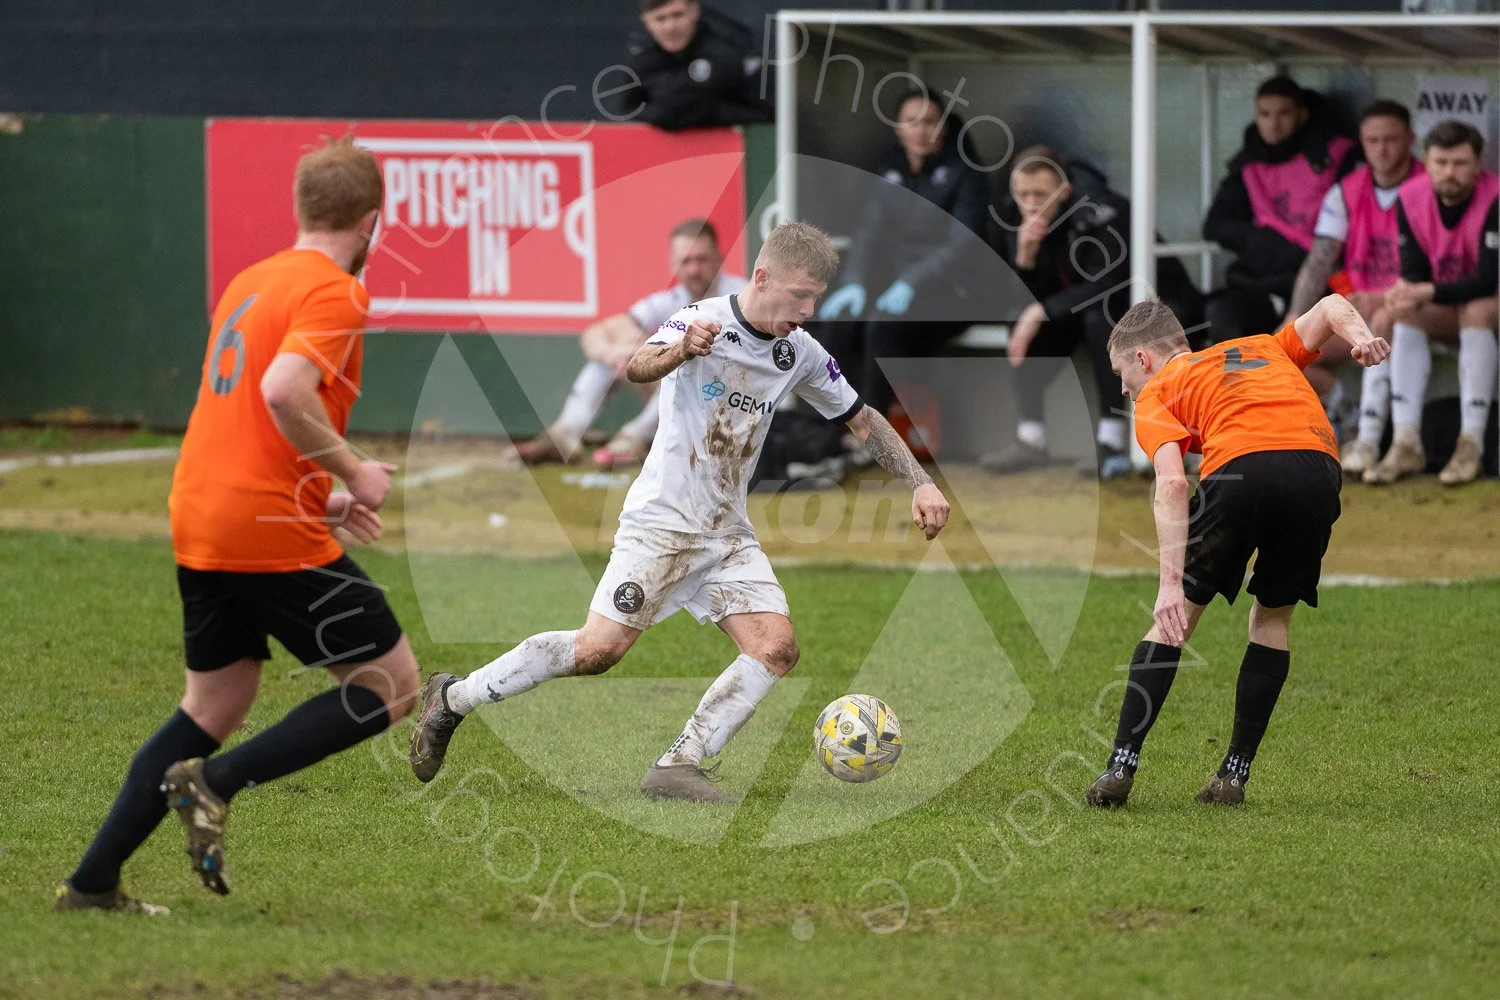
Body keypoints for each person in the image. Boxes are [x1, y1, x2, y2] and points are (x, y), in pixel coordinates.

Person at [409, 222, 951, 801]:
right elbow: (638, 365)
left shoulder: (800, 352)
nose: (809, 309)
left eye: (816, 297)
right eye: (800, 295)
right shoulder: (703, 319)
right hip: (661, 525)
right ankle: (453, 698)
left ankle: (677, 764)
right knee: (597, 652)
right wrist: (682, 348)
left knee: (775, 648)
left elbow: (861, 419)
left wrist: (919, 481)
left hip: (727, 533)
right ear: (764, 278)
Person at [53, 137, 420, 914]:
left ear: (300, 209)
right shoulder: (336, 290)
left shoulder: (251, 282)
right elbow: (283, 391)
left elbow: (235, 418)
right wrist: (354, 472)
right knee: (390, 687)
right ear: (372, 222)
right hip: (261, 527)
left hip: (204, 510)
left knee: (212, 705)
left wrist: (316, 494)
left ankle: (91, 885)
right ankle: (213, 783)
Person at [1083, 296, 1388, 809]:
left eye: (1120, 374)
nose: (1123, 389)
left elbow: (1174, 485)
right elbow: (1333, 305)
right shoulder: (1263, 346)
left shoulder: (1158, 392)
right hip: (1318, 468)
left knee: (1174, 622)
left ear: (1143, 360)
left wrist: (1169, 585)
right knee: (1272, 620)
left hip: (1241, 473)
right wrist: (1360, 339)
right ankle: (1233, 774)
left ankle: (1120, 765)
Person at [981, 146, 1202, 479]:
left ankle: (1111, 443)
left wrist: (1041, 311)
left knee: (1100, 319)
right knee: (1021, 317)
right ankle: (1031, 439)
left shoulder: (1105, 210)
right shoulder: (1015, 216)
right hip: (1081, 311)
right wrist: (1026, 258)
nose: (1030, 203)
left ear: (1065, 189)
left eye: (1040, 194)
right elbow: (1026, 294)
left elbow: (1109, 283)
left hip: (1162, 310)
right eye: (1023, 193)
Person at [511, 219, 745, 468]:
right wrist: (619, 354)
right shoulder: (670, 300)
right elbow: (595, 334)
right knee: (616, 353)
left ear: (719, 258)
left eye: (701, 260)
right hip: (675, 408)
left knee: (683, 368)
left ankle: (633, 439)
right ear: (673, 264)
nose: (694, 270)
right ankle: (566, 433)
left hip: (725, 409)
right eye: (685, 261)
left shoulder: (739, 297)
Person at [816, 84, 989, 418]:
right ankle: (826, 428)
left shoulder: (966, 173)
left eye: (930, 121)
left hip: (956, 293)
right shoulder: (890, 167)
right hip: (898, 289)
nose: (921, 130)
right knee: (840, 321)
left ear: (944, 127)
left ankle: (870, 434)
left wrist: (911, 281)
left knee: (882, 326)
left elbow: (963, 243)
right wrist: (854, 281)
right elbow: (869, 231)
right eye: (912, 121)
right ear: (898, 128)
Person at [1281, 100, 1422, 474]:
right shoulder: (1346, 191)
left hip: (1412, 307)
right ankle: (1341, 404)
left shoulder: (1427, 185)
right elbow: (1320, 259)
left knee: (1381, 314)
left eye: (1391, 139)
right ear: (1362, 142)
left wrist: (1380, 297)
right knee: (1279, 352)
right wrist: (1296, 314)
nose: (1382, 149)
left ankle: (1369, 439)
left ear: (1410, 139)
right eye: (1373, 140)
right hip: (1355, 311)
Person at [1365, 120, 1499, 486]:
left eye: (1459, 163)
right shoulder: (1411, 197)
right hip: (1450, 306)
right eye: (1441, 162)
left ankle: (1470, 444)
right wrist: (1406, 290)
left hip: (1488, 306)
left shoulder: (1495, 195)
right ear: (1428, 161)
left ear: (1477, 163)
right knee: (1400, 310)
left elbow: (1488, 280)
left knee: (1476, 309)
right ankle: (1404, 441)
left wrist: (1425, 291)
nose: (1449, 172)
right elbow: (1413, 271)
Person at [1203, 76, 1357, 343]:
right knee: (1218, 315)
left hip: (1321, 280)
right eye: (1264, 114)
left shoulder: (1337, 154)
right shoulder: (1249, 163)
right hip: (1260, 279)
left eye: (1283, 113)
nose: (1273, 124)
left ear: (1302, 114)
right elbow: (1215, 225)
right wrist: (1263, 242)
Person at [615, 0, 772, 132]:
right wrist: (664, 114)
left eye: (678, 15)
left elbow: (765, 115)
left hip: (732, 156)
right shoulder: (641, 62)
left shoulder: (728, 53)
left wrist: (709, 113)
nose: (671, 27)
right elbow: (628, 114)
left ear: (694, 11)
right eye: (660, 19)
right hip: (666, 161)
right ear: (646, 22)